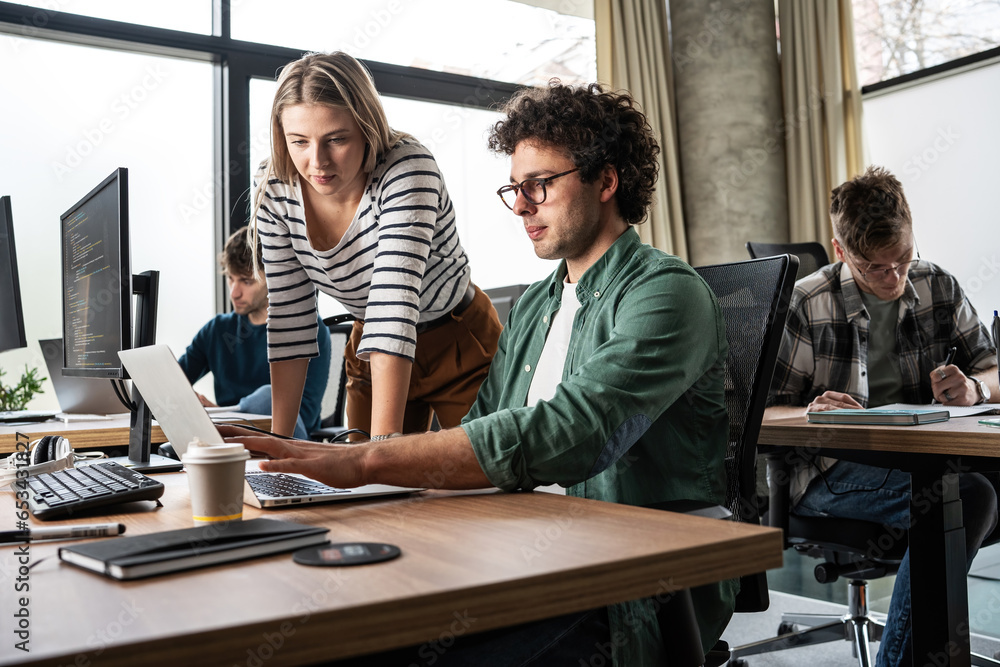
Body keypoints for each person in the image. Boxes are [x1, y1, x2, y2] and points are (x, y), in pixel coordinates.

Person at [224, 81, 735, 666]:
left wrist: (367, 459)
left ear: (606, 180)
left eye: (539, 185)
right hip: (522, 552)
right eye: (515, 189)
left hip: (620, 590)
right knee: (336, 620)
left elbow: (573, 433)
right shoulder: (536, 306)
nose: (521, 206)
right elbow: (479, 433)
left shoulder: (666, 293)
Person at [764, 166, 1000, 667]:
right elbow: (758, 414)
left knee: (970, 494)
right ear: (840, 250)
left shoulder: (937, 284)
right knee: (965, 497)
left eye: (903, 259)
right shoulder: (807, 303)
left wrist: (975, 386)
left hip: (925, 456)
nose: (894, 277)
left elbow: (992, 365)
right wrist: (809, 410)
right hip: (827, 469)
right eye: (875, 267)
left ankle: (923, 649)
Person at [250, 51, 501, 441]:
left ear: (367, 127)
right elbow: (290, 316)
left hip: (456, 343)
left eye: (336, 140)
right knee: (366, 493)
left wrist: (380, 455)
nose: (317, 162)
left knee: (483, 482)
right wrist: (279, 447)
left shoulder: (407, 168)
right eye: (299, 141)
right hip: (370, 346)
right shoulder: (274, 185)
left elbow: (393, 304)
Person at [178, 227, 331, 441]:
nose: (234, 292)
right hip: (229, 442)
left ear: (272, 277)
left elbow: (303, 415)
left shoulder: (306, 328)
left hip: (286, 440)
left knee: (268, 398)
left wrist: (227, 417)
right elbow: (174, 382)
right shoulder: (216, 330)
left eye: (246, 281)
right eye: (231, 279)